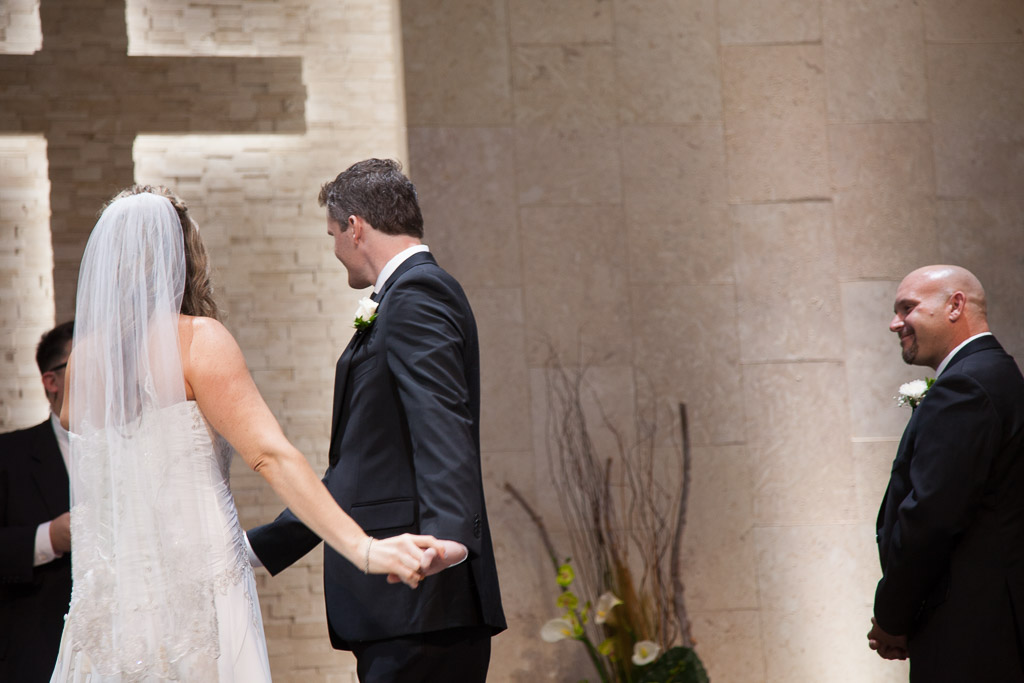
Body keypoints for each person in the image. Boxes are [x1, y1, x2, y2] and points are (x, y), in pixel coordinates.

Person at [49, 185, 448, 682]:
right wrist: (363, 548)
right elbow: (270, 455)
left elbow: (74, 428)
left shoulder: (85, 362)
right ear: (184, 255)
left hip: (113, 592)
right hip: (198, 581)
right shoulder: (198, 341)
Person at [247, 159, 506, 682]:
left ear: (355, 227)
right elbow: (359, 466)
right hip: (402, 608)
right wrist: (258, 548)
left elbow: (441, 418)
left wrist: (450, 537)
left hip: (422, 594)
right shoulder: (402, 296)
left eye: (332, 235)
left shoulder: (417, 294)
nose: (335, 250)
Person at [869, 265, 1024, 681]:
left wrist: (892, 616)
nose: (895, 323)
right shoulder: (993, 372)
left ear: (955, 306)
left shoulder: (966, 385)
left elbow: (931, 517)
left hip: (970, 630)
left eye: (907, 308)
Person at [0, 322, 74, 682]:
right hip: (40, 650)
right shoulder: (9, 454)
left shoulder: (134, 450)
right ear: (51, 380)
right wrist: (48, 538)